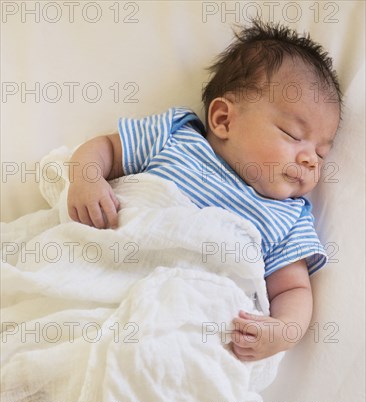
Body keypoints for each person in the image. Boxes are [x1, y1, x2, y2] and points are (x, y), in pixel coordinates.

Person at [67, 19, 342, 361]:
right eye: (293, 134)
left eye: (321, 153)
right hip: (109, 267)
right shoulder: (176, 135)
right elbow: (106, 149)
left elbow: (294, 288)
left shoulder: (290, 217)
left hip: (185, 322)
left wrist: (282, 330)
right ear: (224, 120)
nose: (310, 159)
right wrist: (87, 178)